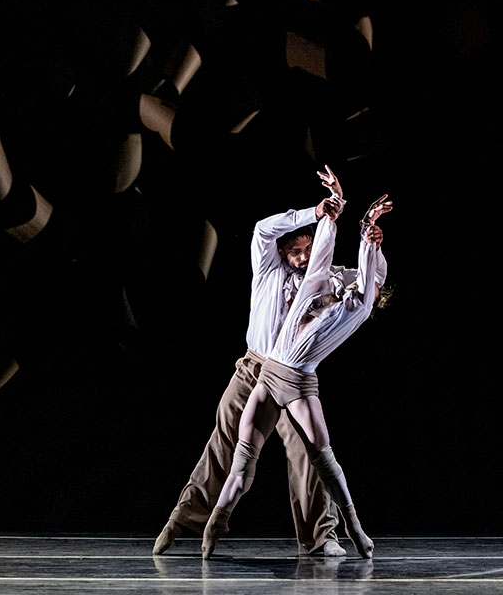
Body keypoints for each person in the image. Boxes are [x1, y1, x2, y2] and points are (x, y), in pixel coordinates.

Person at [153, 165, 383, 557]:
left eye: (307, 249)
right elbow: (262, 228)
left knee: (308, 455)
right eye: (295, 252)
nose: (303, 257)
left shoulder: (324, 277)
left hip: (294, 377)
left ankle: (320, 536)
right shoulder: (268, 270)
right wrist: (315, 212)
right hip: (254, 367)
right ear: (282, 252)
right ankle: (184, 521)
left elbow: (367, 285)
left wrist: (372, 241)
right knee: (226, 444)